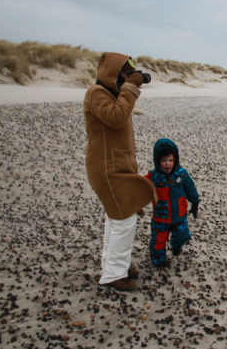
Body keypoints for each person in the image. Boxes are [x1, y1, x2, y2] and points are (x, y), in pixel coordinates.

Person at [83, 52, 155, 291]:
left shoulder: (110, 94)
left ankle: (116, 266)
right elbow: (115, 118)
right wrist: (131, 87)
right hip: (107, 169)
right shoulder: (96, 94)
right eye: (124, 73)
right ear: (112, 74)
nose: (127, 78)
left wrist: (126, 87)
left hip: (116, 167)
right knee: (124, 220)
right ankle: (113, 274)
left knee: (117, 218)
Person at [145, 138, 200, 268]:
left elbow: (190, 189)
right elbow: (140, 187)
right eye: (163, 161)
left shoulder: (181, 174)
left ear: (175, 160)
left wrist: (195, 203)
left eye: (170, 160)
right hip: (160, 218)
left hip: (179, 216)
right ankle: (159, 260)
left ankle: (176, 245)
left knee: (183, 235)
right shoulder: (153, 177)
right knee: (158, 241)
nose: (167, 164)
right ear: (157, 161)